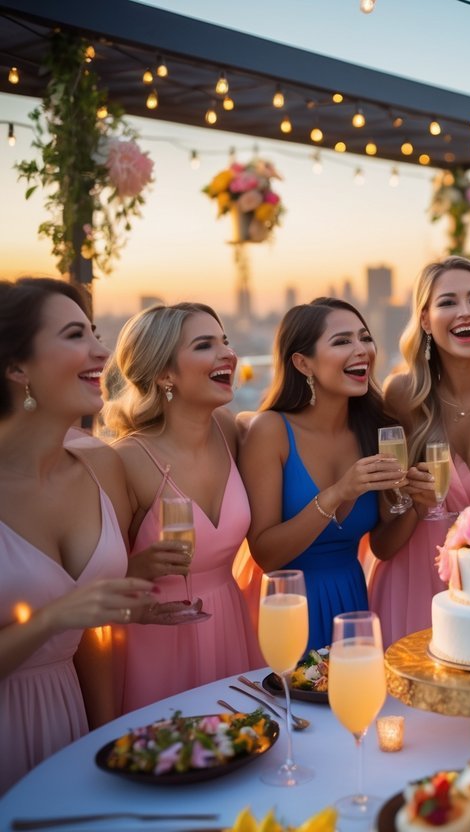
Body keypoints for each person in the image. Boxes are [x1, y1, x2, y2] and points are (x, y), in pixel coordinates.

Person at [0, 279, 154, 794]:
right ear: (17, 368)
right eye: (74, 335)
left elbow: (93, 631)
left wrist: (103, 741)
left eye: (95, 332)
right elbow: (64, 613)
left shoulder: (100, 465)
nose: (102, 351)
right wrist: (54, 617)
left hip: (70, 724)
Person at [102, 303, 260, 712]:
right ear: (164, 373)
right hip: (156, 640)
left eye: (225, 341)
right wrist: (138, 568)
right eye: (205, 345)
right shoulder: (125, 460)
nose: (227, 354)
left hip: (230, 625)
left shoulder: (229, 430)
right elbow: (93, 587)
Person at [240, 298, 407, 652]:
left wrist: (418, 505)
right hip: (289, 608)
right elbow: (266, 554)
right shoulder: (271, 431)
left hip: (352, 606)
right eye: (342, 341)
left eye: (365, 338)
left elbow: (383, 546)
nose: (362, 350)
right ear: (303, 363)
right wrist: (338, 492)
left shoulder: (378, 429)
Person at [369, 257, 470, 643]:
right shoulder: (402, 397)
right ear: (425, 320)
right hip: (411, 586)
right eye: (447, 302)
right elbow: (382, 545)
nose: (464, 312)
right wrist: (416, 507)